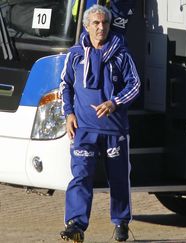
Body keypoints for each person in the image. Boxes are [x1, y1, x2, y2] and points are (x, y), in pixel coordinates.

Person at [59, 4, 140, 242]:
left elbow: (134, 85)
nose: (100, 27)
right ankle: (76, 225)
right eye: (95, 23)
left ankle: (121, 222)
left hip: (114, 129)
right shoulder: (74, 55)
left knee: (118, 178)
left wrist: (114, 103)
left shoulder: (121, 54)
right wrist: (69, 114)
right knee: (81, 176)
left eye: (104, 23)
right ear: (87, 27)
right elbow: (65, 85)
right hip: (83, 128)